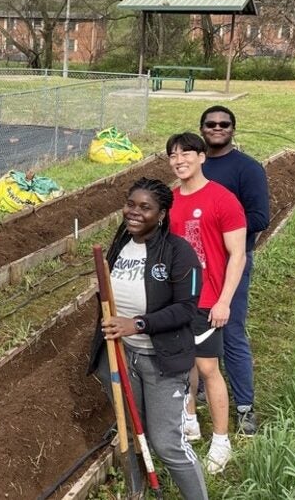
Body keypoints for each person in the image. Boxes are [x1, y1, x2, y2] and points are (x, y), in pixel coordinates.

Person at [88, 178, 207, 500]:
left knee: (167, 443)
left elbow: (186, 309)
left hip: (161, 361)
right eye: (130, 204)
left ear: (162, 214)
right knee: (131, 430)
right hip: (122, 355)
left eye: (145, 207)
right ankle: (136, 492)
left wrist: (137, 323)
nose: (134, 212)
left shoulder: (178, 252)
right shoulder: (121, 242)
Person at [165, 132, 246, 475]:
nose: (179, 160)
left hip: (209, 299)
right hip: (177, 299)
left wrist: (225, 301)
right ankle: (190, 421)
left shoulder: (222, 199)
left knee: (209, 368)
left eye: (186, 153)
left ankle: (221, 440)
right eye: (173, 155)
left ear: (201, 157)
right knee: (184, 365)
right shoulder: (169, 200)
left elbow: (238, 255)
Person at [199, 105, 269, 436]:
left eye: (223, 124)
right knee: (196, 329)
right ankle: (200, 391)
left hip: (231, 262)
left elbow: (259, 217)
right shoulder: (194, 165)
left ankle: (244, 407)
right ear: (202, 129)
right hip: (196, 264)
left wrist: (221, 229)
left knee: (231, 331)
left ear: (232, 129)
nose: (217, 128)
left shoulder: (247, 169)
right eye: (210, 124)